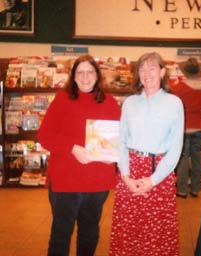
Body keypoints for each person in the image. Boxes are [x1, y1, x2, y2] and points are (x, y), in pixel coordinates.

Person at [38, 54, 121, 256]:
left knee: (89, 233)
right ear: (73, 77)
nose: (85, 77)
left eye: (90, 72)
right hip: (65, 180)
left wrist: (115, 153)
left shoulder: (110, 102)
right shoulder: (62, 99)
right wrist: (72, 148)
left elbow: (119, 137)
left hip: (97, 181)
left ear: (97, 75)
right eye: (80, 73)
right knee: (61, 234)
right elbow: (44, 135)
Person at [109, 52, 184, 256]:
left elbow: (175, 148)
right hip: (129, 171)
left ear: (162, 72)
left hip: (159, 172)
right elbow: (121, 141)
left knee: (157, 233)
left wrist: (153, 180)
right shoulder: (130, 103)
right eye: (142, 69)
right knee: (128, 230)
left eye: (152, 68)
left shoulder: (174, 103)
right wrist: (125, 175)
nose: (147, 73)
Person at [170, 57, 201, 198]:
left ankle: (182, 190)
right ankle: (195, 189)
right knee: (197, 160)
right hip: (199, 127)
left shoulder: (180, 87)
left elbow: (174, 104)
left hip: (184, 128)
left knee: (182, 160)